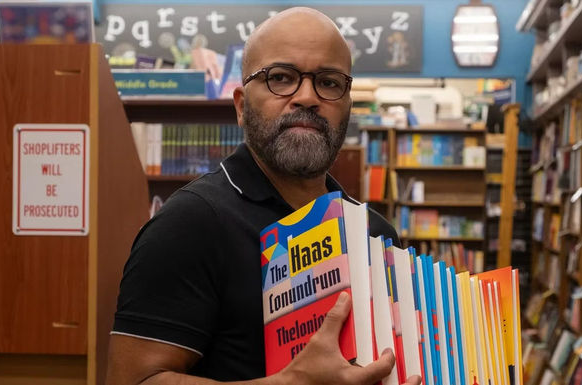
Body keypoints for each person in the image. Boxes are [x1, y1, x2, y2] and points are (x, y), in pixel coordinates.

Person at [106, 7, 421, 385]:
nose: (307, 97)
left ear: (347, 106)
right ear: (241, 106)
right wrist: (293, 382)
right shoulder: (190, 223)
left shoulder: (375, 233)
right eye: (281, 77)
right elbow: (133, 379)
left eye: (330, 82)